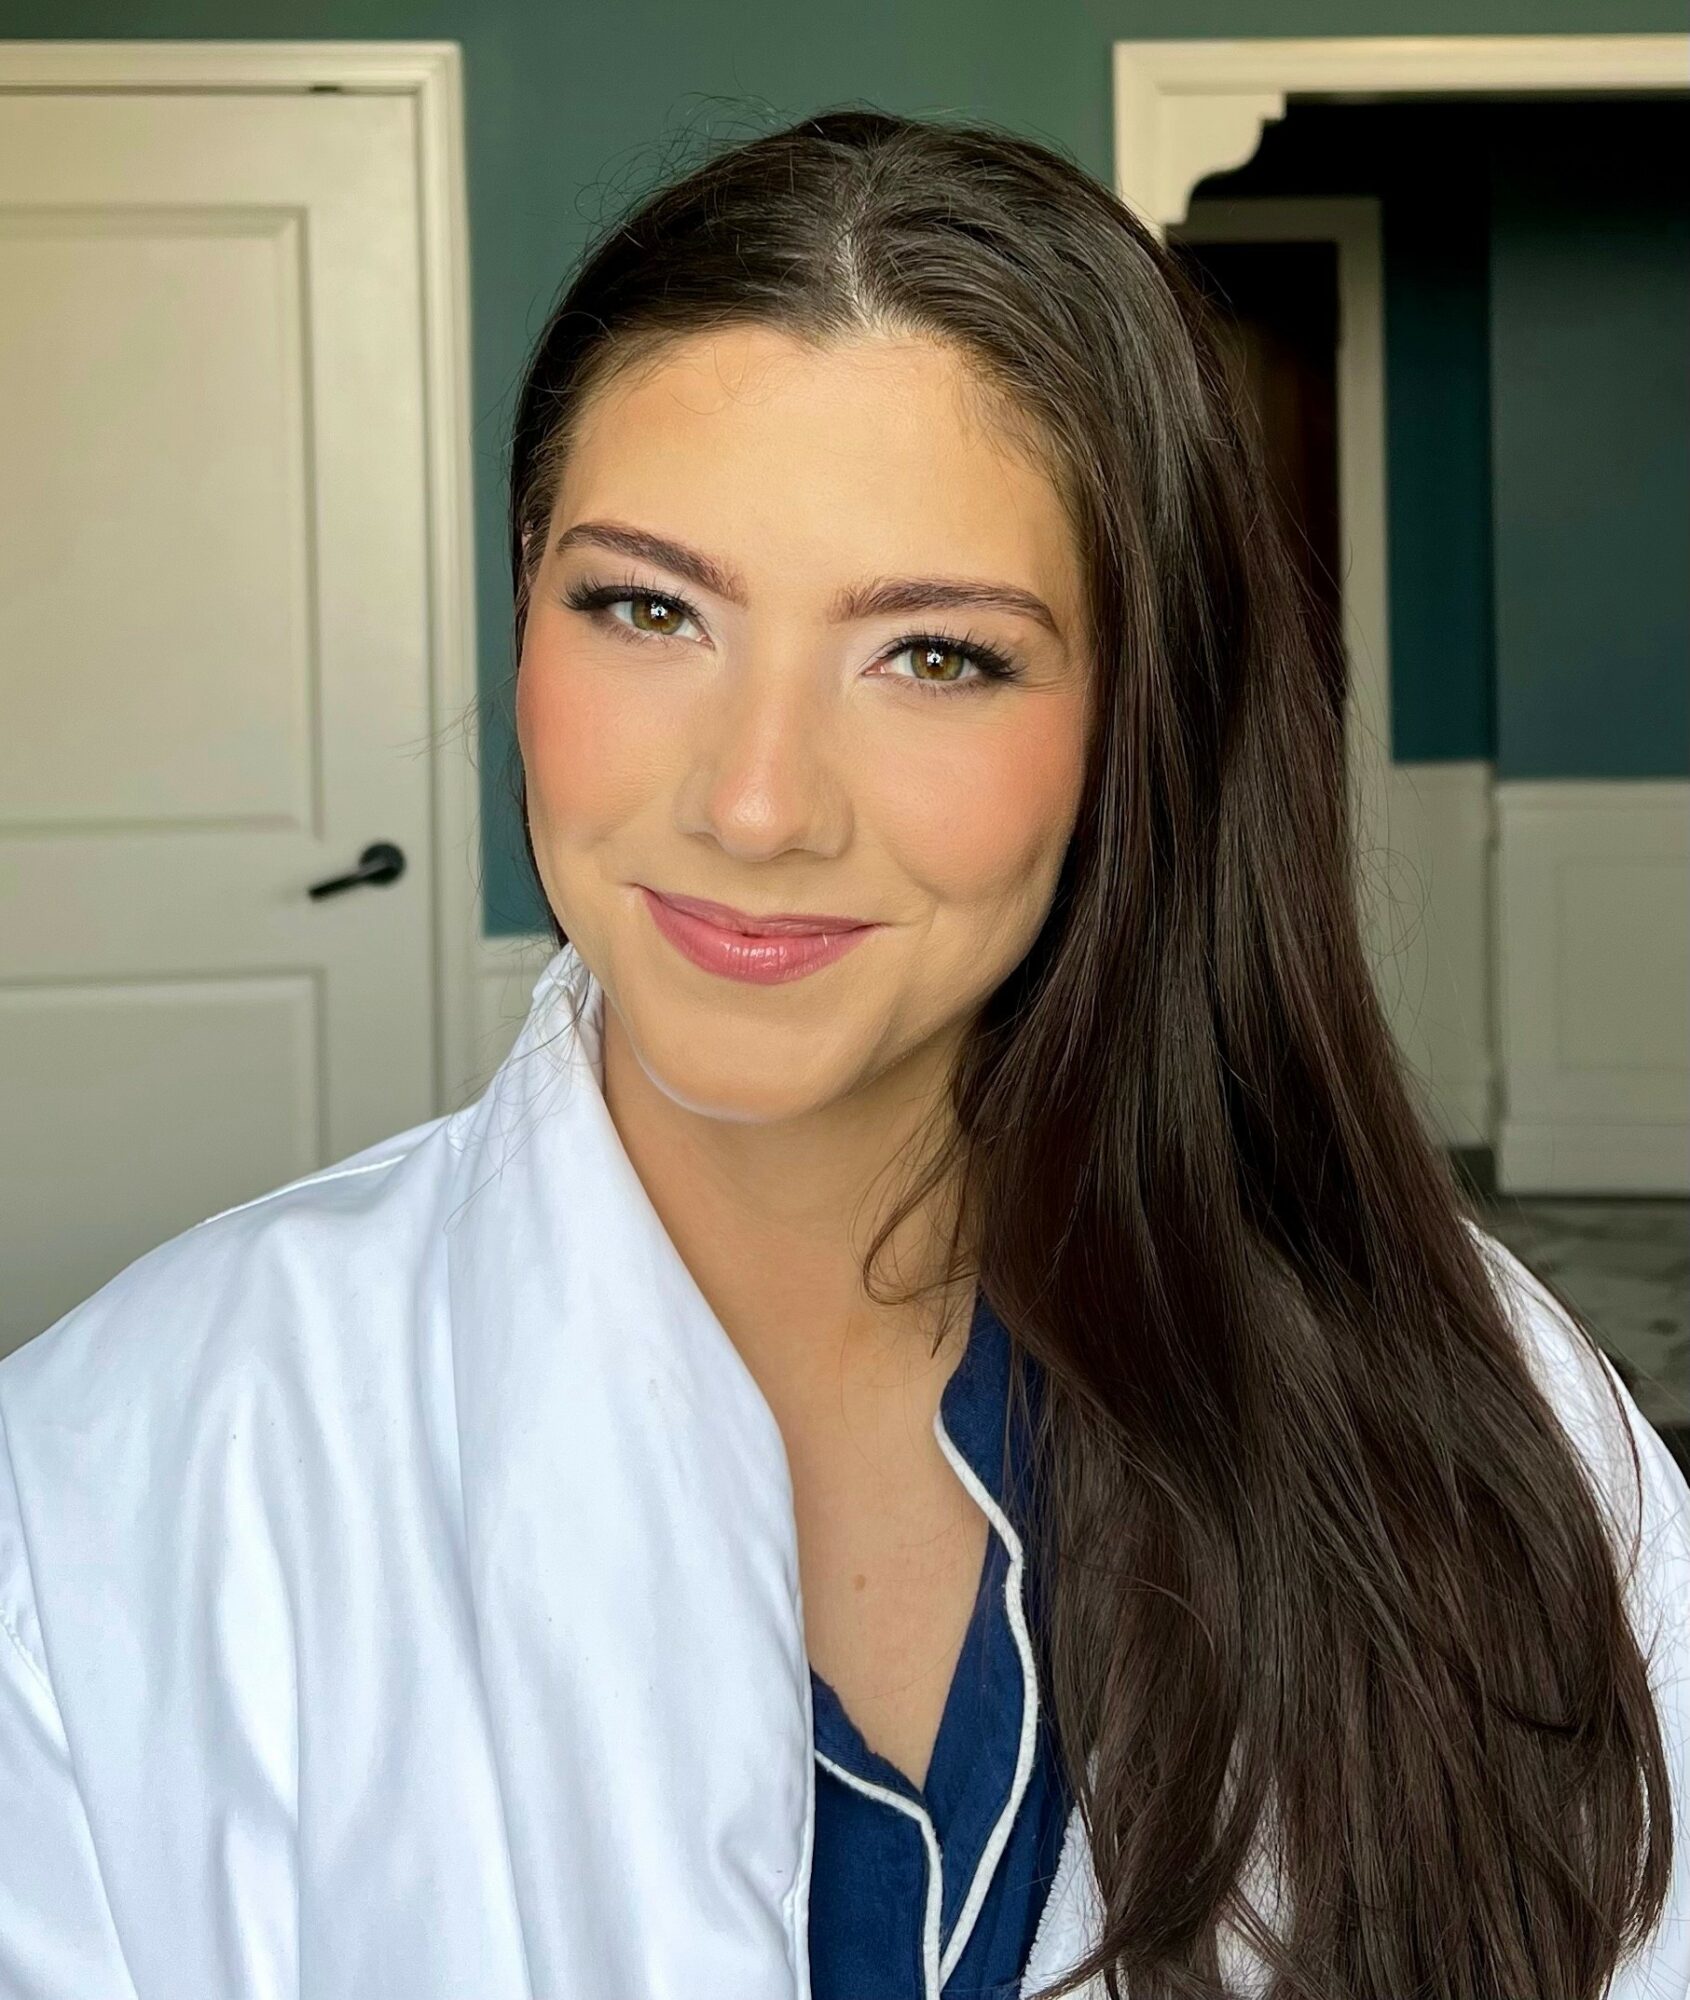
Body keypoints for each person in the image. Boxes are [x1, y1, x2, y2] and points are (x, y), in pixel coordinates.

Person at [1, 108, 1685, 2000]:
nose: (755, 799)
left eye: (936, 655)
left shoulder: (1493, 1421)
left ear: (1139, 721)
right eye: (647, 608)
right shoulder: (106, 1484)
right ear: (521, 615)